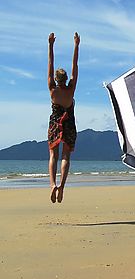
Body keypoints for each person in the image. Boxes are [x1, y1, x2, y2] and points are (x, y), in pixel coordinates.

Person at [47, 32, 80, 203]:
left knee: (53, 155)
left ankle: (52, 184)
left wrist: (51, 45)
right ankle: (62, 186)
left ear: (56, 79)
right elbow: (75, 64)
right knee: (66, 156)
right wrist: (76, 45)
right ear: (66, 79)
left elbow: (50, 64)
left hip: (54, 123)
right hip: (69, 123)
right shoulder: (71, 89)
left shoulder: (52, 89)